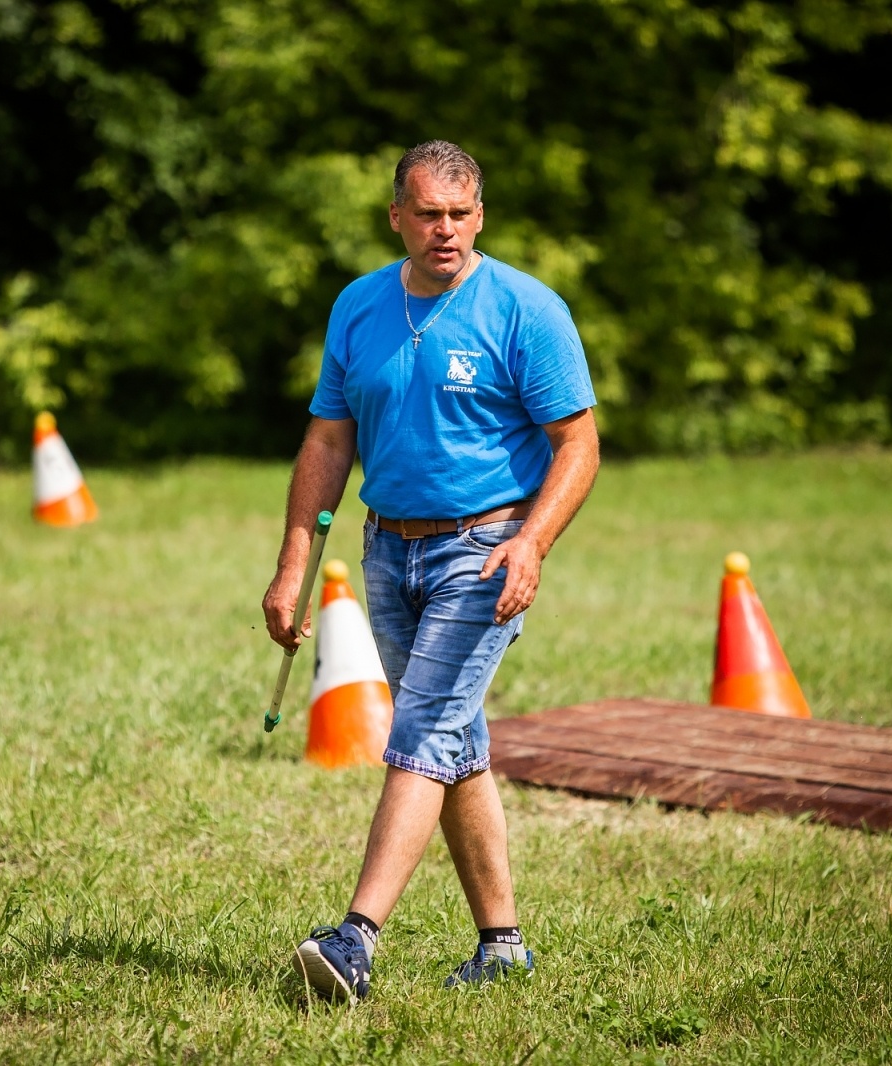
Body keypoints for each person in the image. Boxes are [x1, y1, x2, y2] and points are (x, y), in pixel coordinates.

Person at [261, 140, 599, 1002]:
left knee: (417, 740)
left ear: (479, 215)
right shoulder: (358, 307)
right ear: (398, 217)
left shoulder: (527, 308)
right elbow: (330, 437)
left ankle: (354, 941)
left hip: (481, 555)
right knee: (451, 744)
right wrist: (294, 560)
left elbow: (579, 445)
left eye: (460, 214)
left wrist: (530, 544)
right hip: (387, 550)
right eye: (427, 214)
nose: (444, 231)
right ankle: (504, 945)